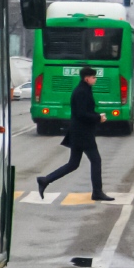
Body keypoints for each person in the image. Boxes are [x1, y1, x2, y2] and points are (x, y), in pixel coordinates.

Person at [37, 66, 113, 201]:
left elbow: (83, 112)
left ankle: (45, 180)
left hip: (79, 133)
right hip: (83, 134)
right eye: (94, 77)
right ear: (87, 78)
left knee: (73, 164)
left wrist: (96, 116)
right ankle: (97, 192)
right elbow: (81, 113)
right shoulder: (82, 92)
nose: (95, 79)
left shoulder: (83, 90)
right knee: (96, 161)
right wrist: (98, 118)